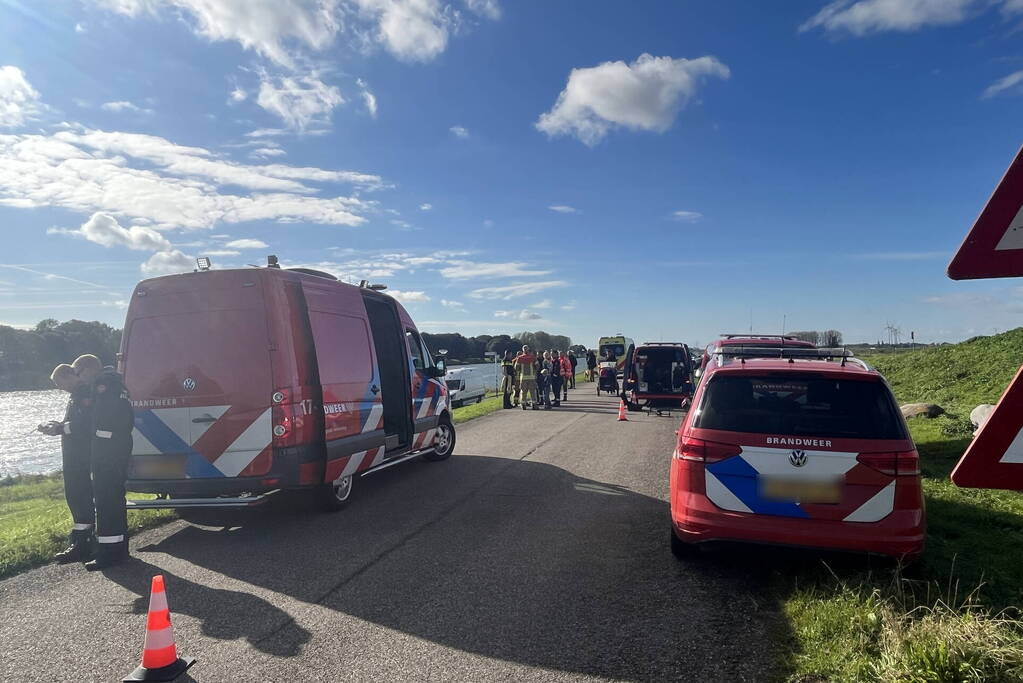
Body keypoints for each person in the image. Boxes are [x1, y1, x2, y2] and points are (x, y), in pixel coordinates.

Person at [73, 354, 135, 569]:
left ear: (88, 368)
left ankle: (110, 553)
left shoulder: (105, 386)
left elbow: (99, 419)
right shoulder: (115, 385)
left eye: (78, 373)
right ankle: (117, 549)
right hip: (114, 449)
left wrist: (72, 427)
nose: (79, 378)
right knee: (112, 499)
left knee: (107, 500)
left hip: (108, 451)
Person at [37, 364, 96, 564]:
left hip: (80, 456)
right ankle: (83, 540)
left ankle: (83, 544)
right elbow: (76, 421)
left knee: (79, 496)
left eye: (59, 384)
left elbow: (86, 423)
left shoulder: (84, 392)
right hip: (75, 456)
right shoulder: (78, 393)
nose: (60, 388)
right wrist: (57, 425)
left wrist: (59, 429)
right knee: (76, 496)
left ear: (67, 376)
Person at [514, 345, 538, 410]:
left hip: (523, 378)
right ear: (528, 349)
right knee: (532, 392)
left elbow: (516, 368)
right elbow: (537, 366)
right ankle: (534, 405)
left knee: (523, 392)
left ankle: (523, 405)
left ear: (523, 350)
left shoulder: (519, 358)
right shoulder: (533, 358)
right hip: (532, 378)